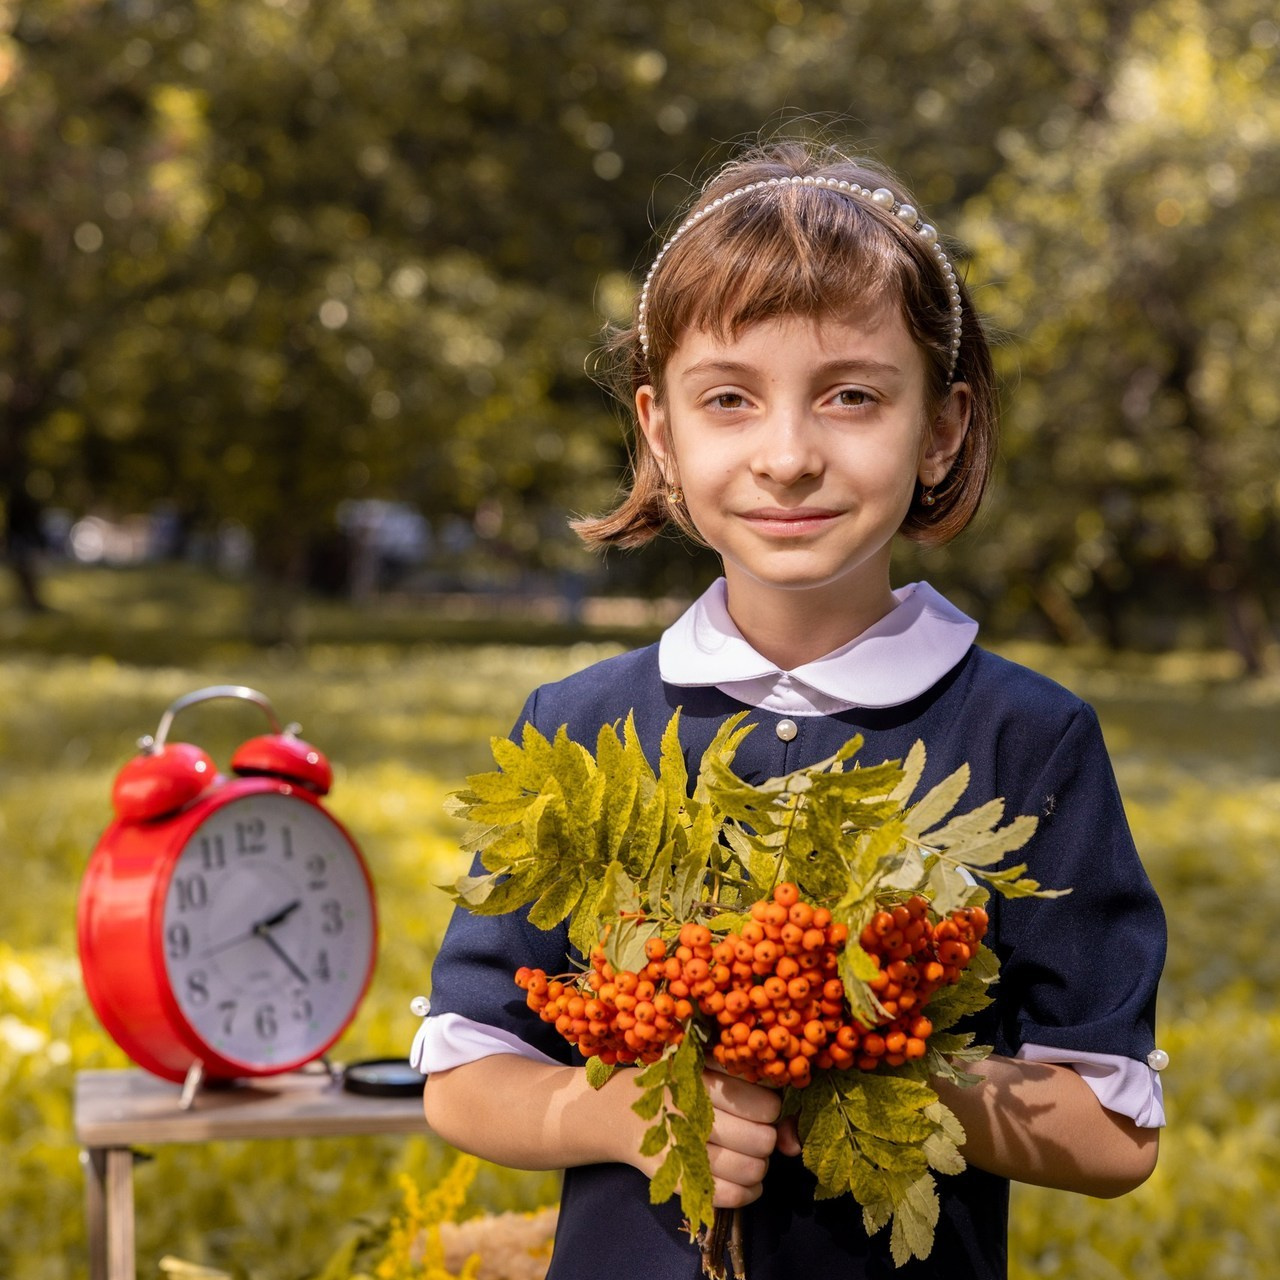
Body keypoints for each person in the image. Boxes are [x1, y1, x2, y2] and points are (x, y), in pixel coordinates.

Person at [414, 139, 1166, 1280]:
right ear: (661, 434)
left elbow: (1113, 1130)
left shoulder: (1023, 735)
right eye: (728, 398)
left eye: (850, 395)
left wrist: (862, 1052)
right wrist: (613, 1113)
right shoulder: (576, 730)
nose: (786, 455)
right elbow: (464, 1071)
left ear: (943, 427)